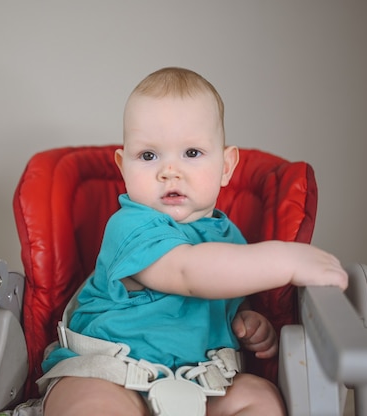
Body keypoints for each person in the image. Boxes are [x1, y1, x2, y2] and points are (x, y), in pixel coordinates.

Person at [40, 67, 348, 416]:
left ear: (227, 166)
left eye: (191, 153)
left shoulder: (230, 238)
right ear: (123, 167)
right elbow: (188, 272)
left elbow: (225, 295)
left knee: (260, 398)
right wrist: (288, 261)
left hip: (201, 380)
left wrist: (249, 321)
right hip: (111, 373)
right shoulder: (129, 225)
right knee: (91, 405)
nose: (170, 170)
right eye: (148, 156)